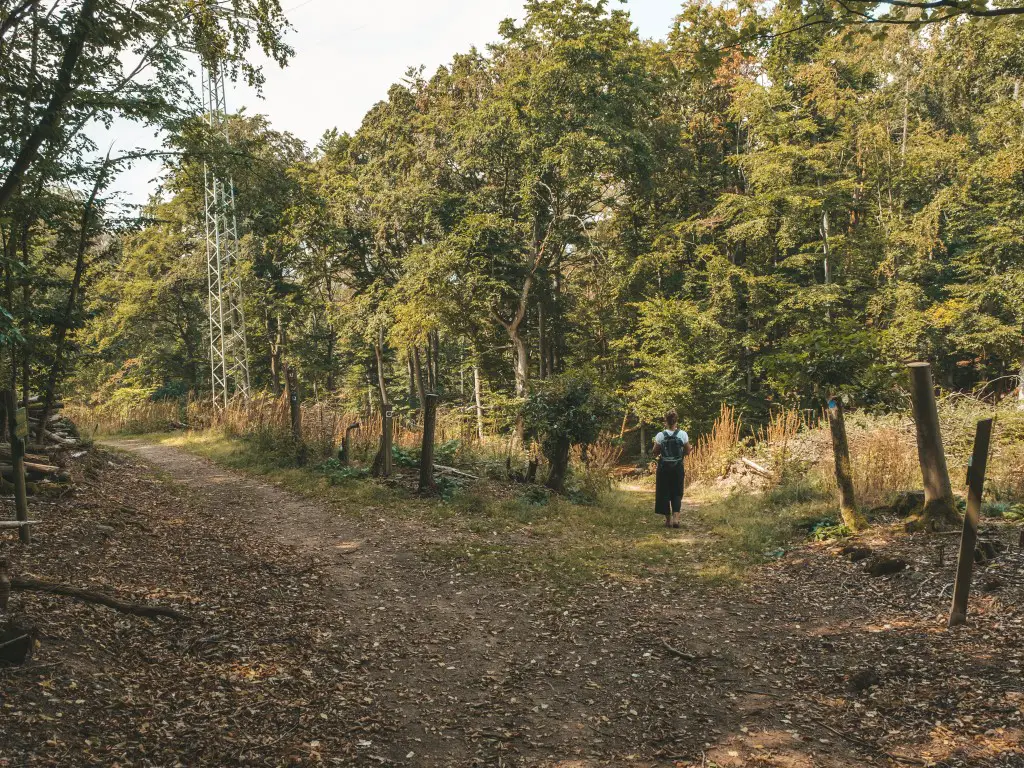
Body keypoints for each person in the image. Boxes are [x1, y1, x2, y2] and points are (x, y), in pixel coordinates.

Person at [652, 409, 689, 528]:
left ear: (665, 421)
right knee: (677, 492)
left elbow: (655, 452)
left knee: (664, 492)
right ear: (676, 420)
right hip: (678, 467)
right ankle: (676, 519)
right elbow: (687, 451)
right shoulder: (683, 434)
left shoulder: (660, 435)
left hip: (664, 469)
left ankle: (667, 520)